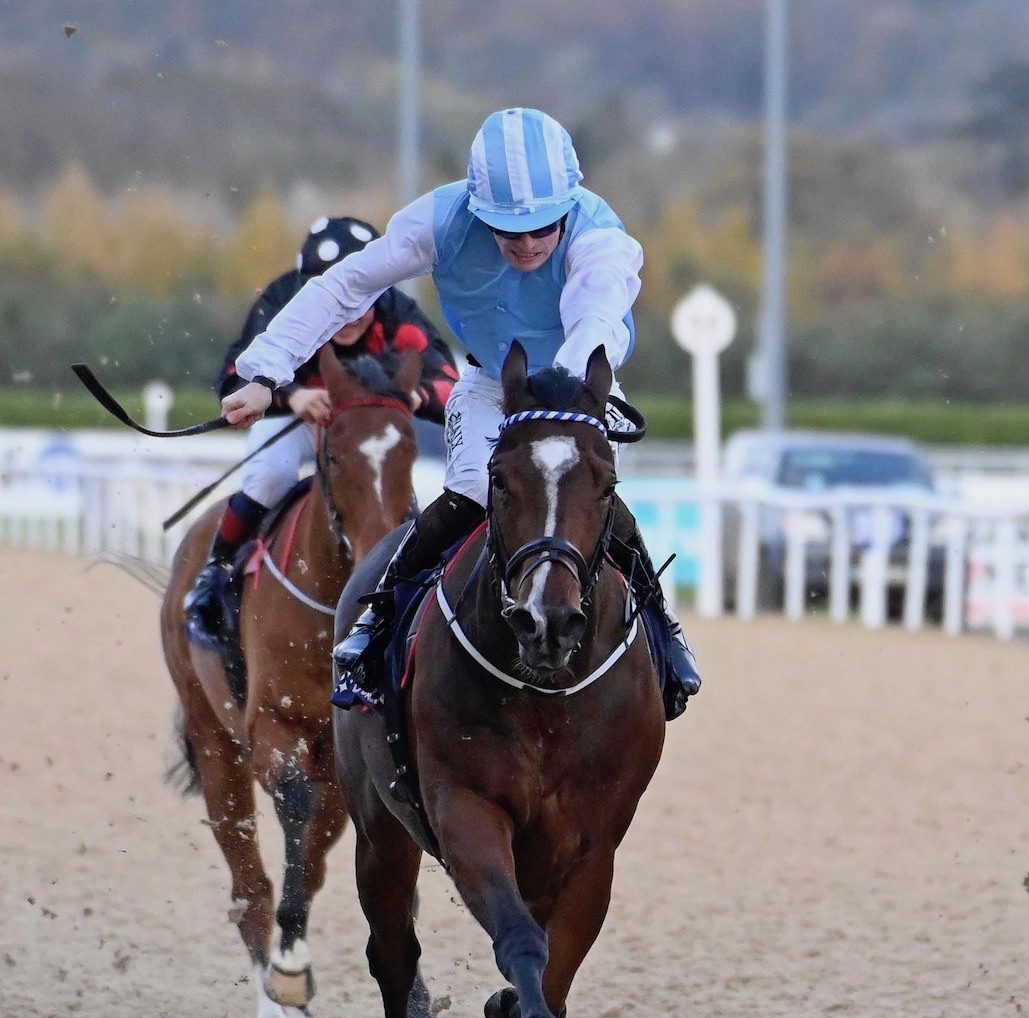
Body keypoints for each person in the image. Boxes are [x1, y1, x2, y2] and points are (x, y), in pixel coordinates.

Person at [218, 108, 700, 717]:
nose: (526, 244)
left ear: (569, 204)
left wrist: (564, 383)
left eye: (542, 228)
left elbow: (596, 313)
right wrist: (266, 370)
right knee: (472, 486)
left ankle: (664, 633)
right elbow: (346, 285)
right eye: (507, 230)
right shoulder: (438, 220)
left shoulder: (601, 236)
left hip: (578, 388)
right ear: (478, 208)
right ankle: (377, 625)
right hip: (492, 382)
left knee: (584, 494)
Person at [181, 217, 460, 644]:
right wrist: (291, 395)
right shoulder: (280, 301)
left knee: (393, 496)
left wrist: (415, 396)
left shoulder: (400, 315)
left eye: (362, 300)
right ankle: (214, 574)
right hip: (295, 421)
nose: (349, 315)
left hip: (367, 432)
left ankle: (419, 594)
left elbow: (450, 385)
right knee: (269, 476)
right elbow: (235, 377)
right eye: (339, 301)